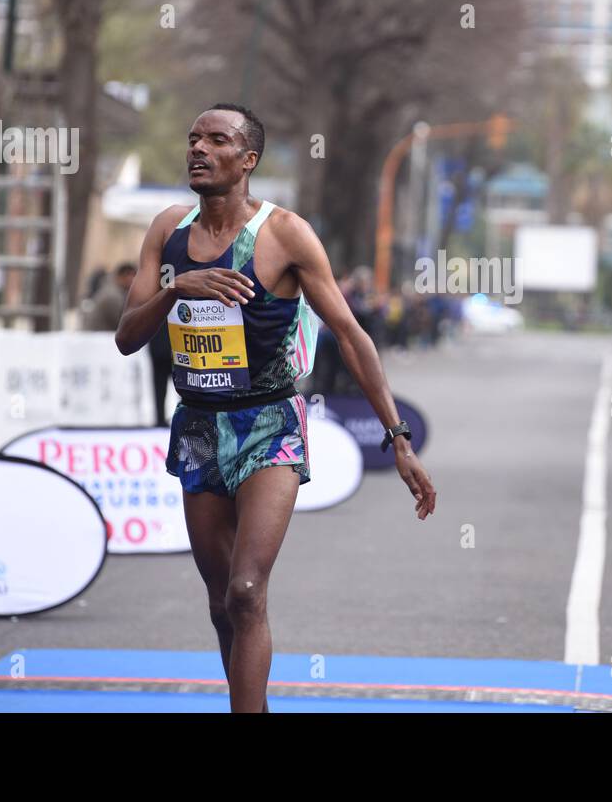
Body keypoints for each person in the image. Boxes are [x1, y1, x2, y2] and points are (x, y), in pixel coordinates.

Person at [114, 103, 435, 713]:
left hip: (269, 425)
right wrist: (175, 288)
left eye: (216, 140)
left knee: (246, 590)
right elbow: (128, 335)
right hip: (200, 427)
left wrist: (398, 435)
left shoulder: (285, 233)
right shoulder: (167, 230)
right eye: (192, 138)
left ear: (248, 160)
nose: (198, 149)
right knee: (218, 601)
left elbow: (351, 334)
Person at [83, 262, 137, 331]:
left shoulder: (113, 291)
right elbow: (123, 324)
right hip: (98, 337)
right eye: (132, 276)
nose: (134, 280)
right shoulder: (112, 296)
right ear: (122, 276)